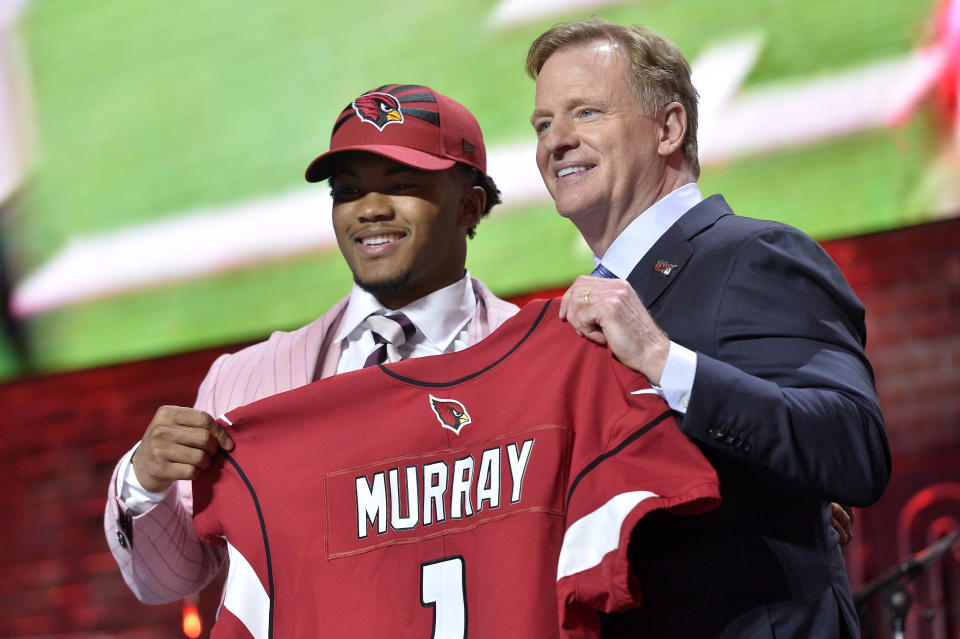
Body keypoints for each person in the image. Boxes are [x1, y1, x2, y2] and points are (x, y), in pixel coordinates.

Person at [526, 20, 890, 638]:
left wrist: (665, 360)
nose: (556, 141)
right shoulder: (580, 308)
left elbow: (853, 446)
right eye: (543, 124)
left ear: (669, 128)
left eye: (584, 112)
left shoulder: (754, 254)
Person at [104, 83, 518, 603]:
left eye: (401, 183)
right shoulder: (242, 378)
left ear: (469, 206)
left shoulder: (534, 358)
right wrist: (143, 482)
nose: (369, 210)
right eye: (347, 192)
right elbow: (170, 582)